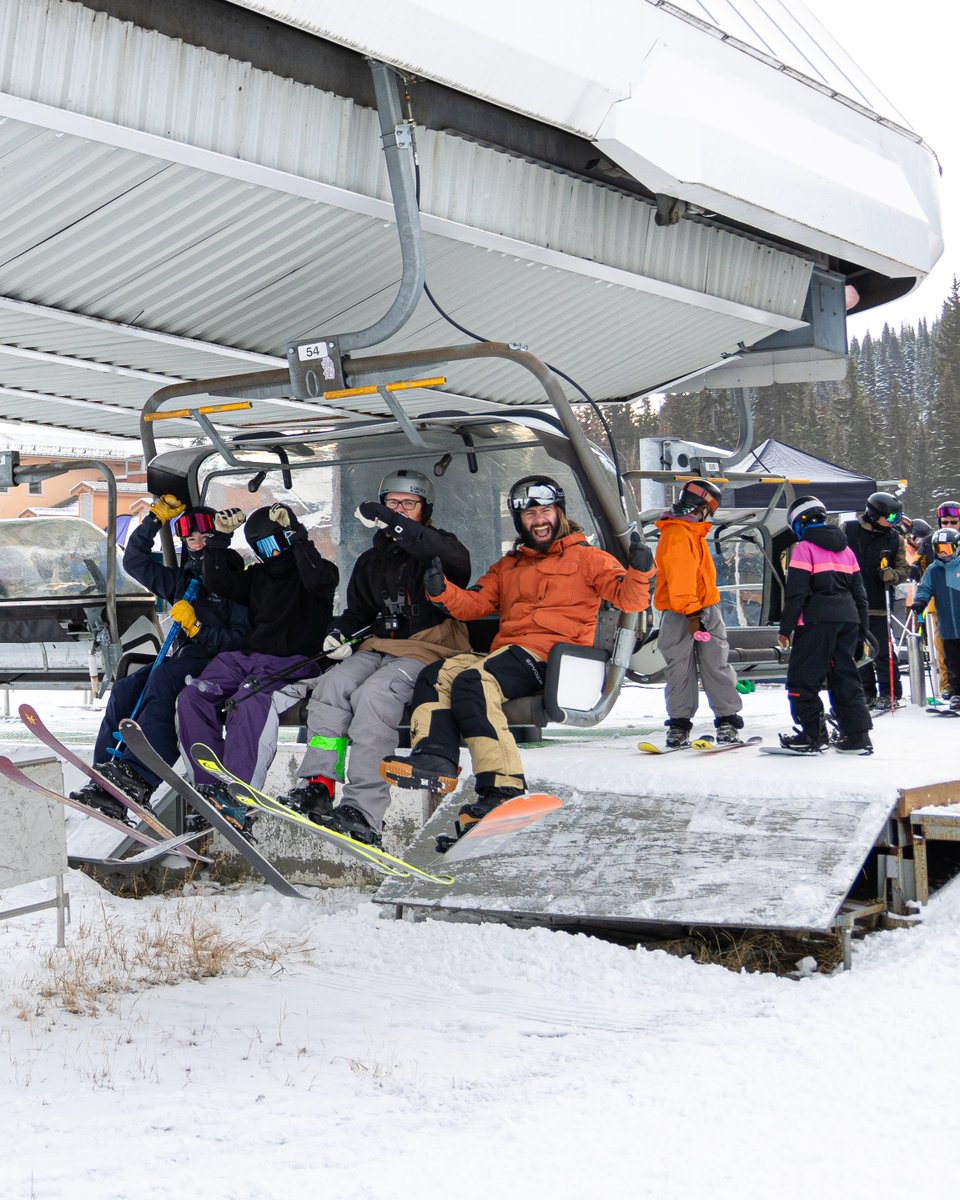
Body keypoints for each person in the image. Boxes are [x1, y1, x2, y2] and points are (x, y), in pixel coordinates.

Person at [379, 475, 655, 835]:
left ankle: (503, 785)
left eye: (545, 511)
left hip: (553, 658)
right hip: (509, 653)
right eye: (529, 515)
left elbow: (629, 600)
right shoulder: (508, 566)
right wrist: (441, 591)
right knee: (436, 674)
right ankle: (435, 759)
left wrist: (640, 571)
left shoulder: (589, 559)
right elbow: (475, 605)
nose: (538, 520)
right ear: (519, 521)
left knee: (474, 682)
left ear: (559, 513)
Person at [276, 470, 471, 847]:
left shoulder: (441, 549)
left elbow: (451, 559)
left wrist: (393, 521)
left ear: (425, 510)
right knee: (332, 685)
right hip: (380, 644)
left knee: (375, 696)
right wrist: (339, 633)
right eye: (392, 503)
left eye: (409, 504)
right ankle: (320, 783)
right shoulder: (371, 561)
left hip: (429, 647)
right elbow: (359, 612)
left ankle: (363, 810)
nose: (400, 510)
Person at [71, 497, 250, 820]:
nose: (198, 544)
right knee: (126, 689)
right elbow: (134, 562)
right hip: (187, 658)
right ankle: (106, 780)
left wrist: (198, 629)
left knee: (166, 682)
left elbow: (240, 638)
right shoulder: (184, 579)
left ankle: (140, 777)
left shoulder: (235, 581)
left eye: (206, 537)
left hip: (220, 662)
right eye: (191, 538)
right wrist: (154, 521)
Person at [175, 503, 339, 820]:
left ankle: (240, 795)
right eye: (263, 548)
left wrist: (298, 535)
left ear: (287, 539)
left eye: (277, 542)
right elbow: (218, 582)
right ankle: (209, 788)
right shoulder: (258, 576)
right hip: (248, 659)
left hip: (294, 662)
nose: (273, 553)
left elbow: (318, 578)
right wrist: (219, 541)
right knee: (192, 697)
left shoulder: (316, 573)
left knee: (249, 699)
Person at [775, 496, 873, 754]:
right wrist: (862, 632)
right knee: (845, 677)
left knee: (802, 679)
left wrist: (786, 628)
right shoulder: (847, 550)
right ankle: (858, 736)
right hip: (848, 621)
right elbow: (860, 595)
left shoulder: (804, 548)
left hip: (816, 621)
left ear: (798, 523)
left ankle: (812, 734)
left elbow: (797, 592)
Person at [652, 478, 745, 749]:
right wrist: (694, 616)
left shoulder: (692, 532)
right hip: (685, 612)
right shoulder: (678, 533)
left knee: (713, 664)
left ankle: (721, 720)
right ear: (703, 507)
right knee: (685, 667)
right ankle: (684, 724)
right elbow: (681, 579)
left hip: (704, 607)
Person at [842, 491, 908, 713]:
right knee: (859, 650)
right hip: (853, 602)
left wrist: (893, 575)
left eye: (897, 518)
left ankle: (890, 692)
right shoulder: (849, 530)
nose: (894, 522)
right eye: (891, 518)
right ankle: (866, 691)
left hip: (879, 601)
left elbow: (904, 568)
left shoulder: (894, 538)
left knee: (882, 651)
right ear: (873, 514)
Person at [911, 528, 960, 709]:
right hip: (948, 626)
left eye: (947, 549)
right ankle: (957, 693)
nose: (944, 554)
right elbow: (925, 588)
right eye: (940, 549)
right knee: (952, 662)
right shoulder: (933, 570)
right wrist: (920, 601)